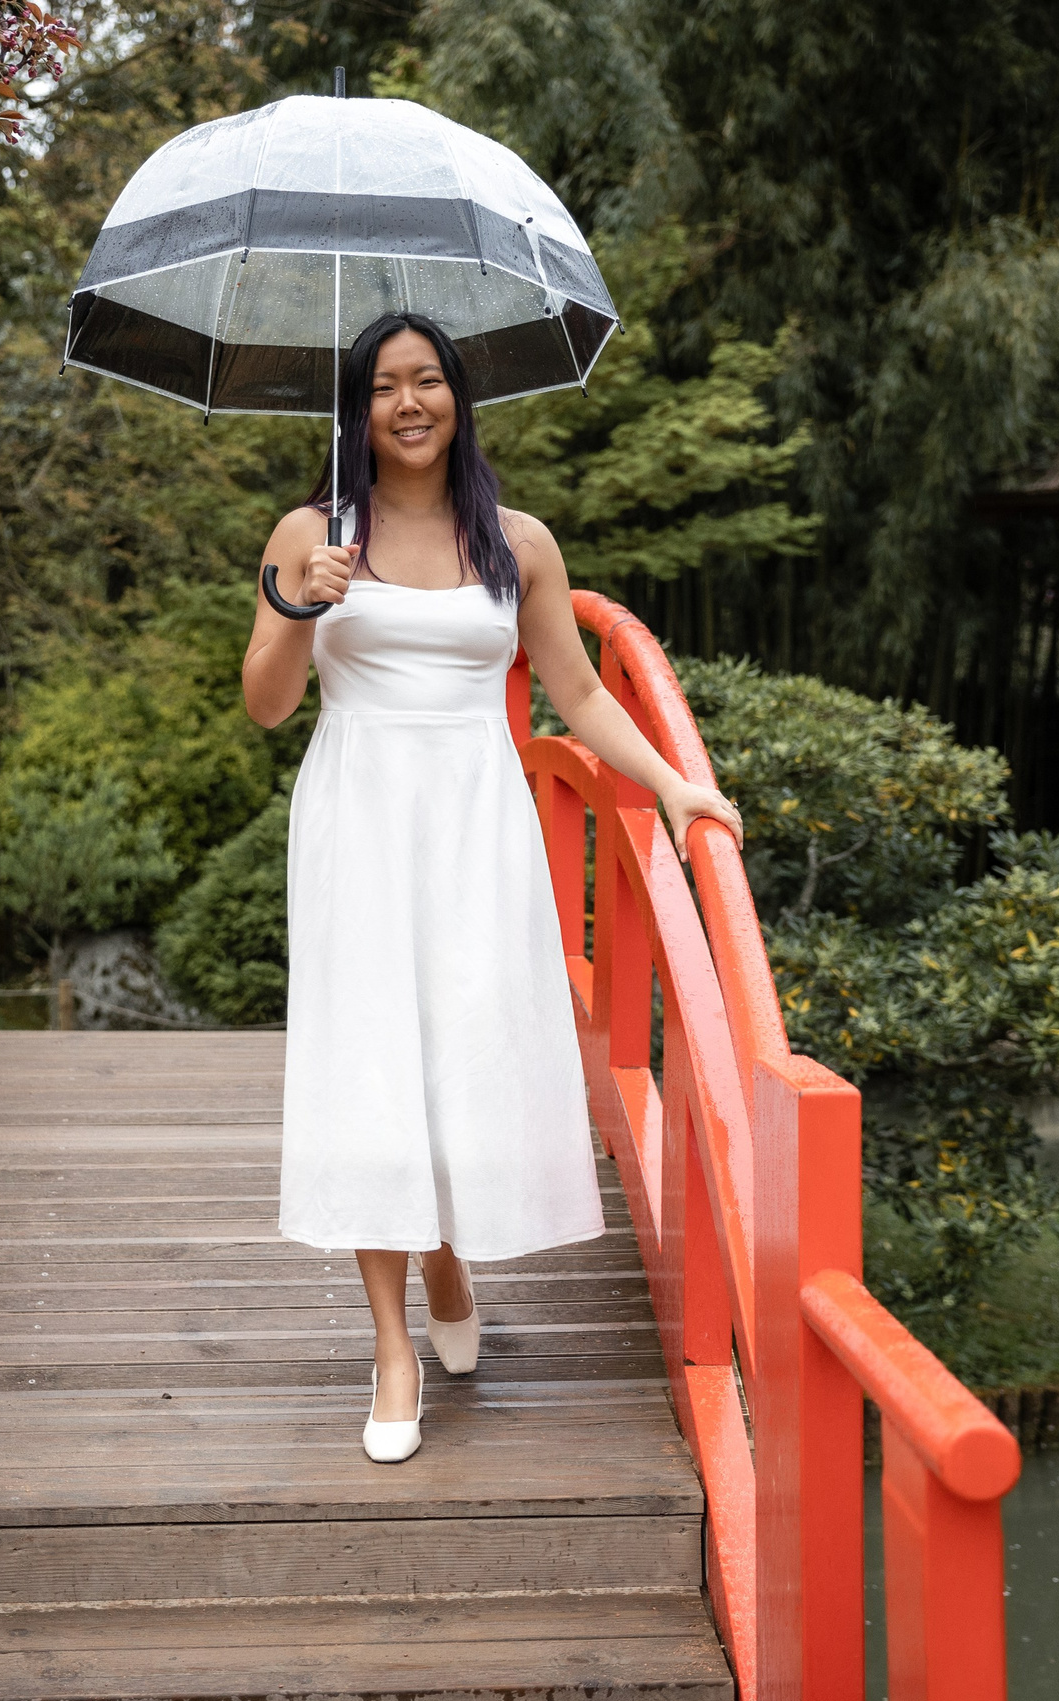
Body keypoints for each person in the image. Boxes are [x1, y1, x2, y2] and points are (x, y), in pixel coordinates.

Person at [242, 311, 742, 1464]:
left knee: (463, 1046)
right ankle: (392, 1346)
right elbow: (265, 705)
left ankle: (449, 1257)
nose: (407, 404)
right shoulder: (309, 534)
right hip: (358, 816)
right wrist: (300, 601)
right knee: (369, 1058)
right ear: (352, 411)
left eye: (427, 382)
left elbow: (579, 690)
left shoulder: (518, 541)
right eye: (380, 387)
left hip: (477, 821)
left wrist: (673, 788)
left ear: (460, 398)